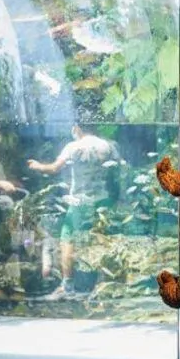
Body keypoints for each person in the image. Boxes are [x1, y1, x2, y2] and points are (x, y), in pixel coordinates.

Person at [27, 123, 120, 300]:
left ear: (77, 128)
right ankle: (104, 282)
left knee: (67, 239)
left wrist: (37, 166)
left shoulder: (73, 146)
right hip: (103, 200)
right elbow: (119, 169)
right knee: (101, 238)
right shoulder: (108, 145)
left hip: (80, 202)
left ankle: (67, 285)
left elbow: (54, 168)